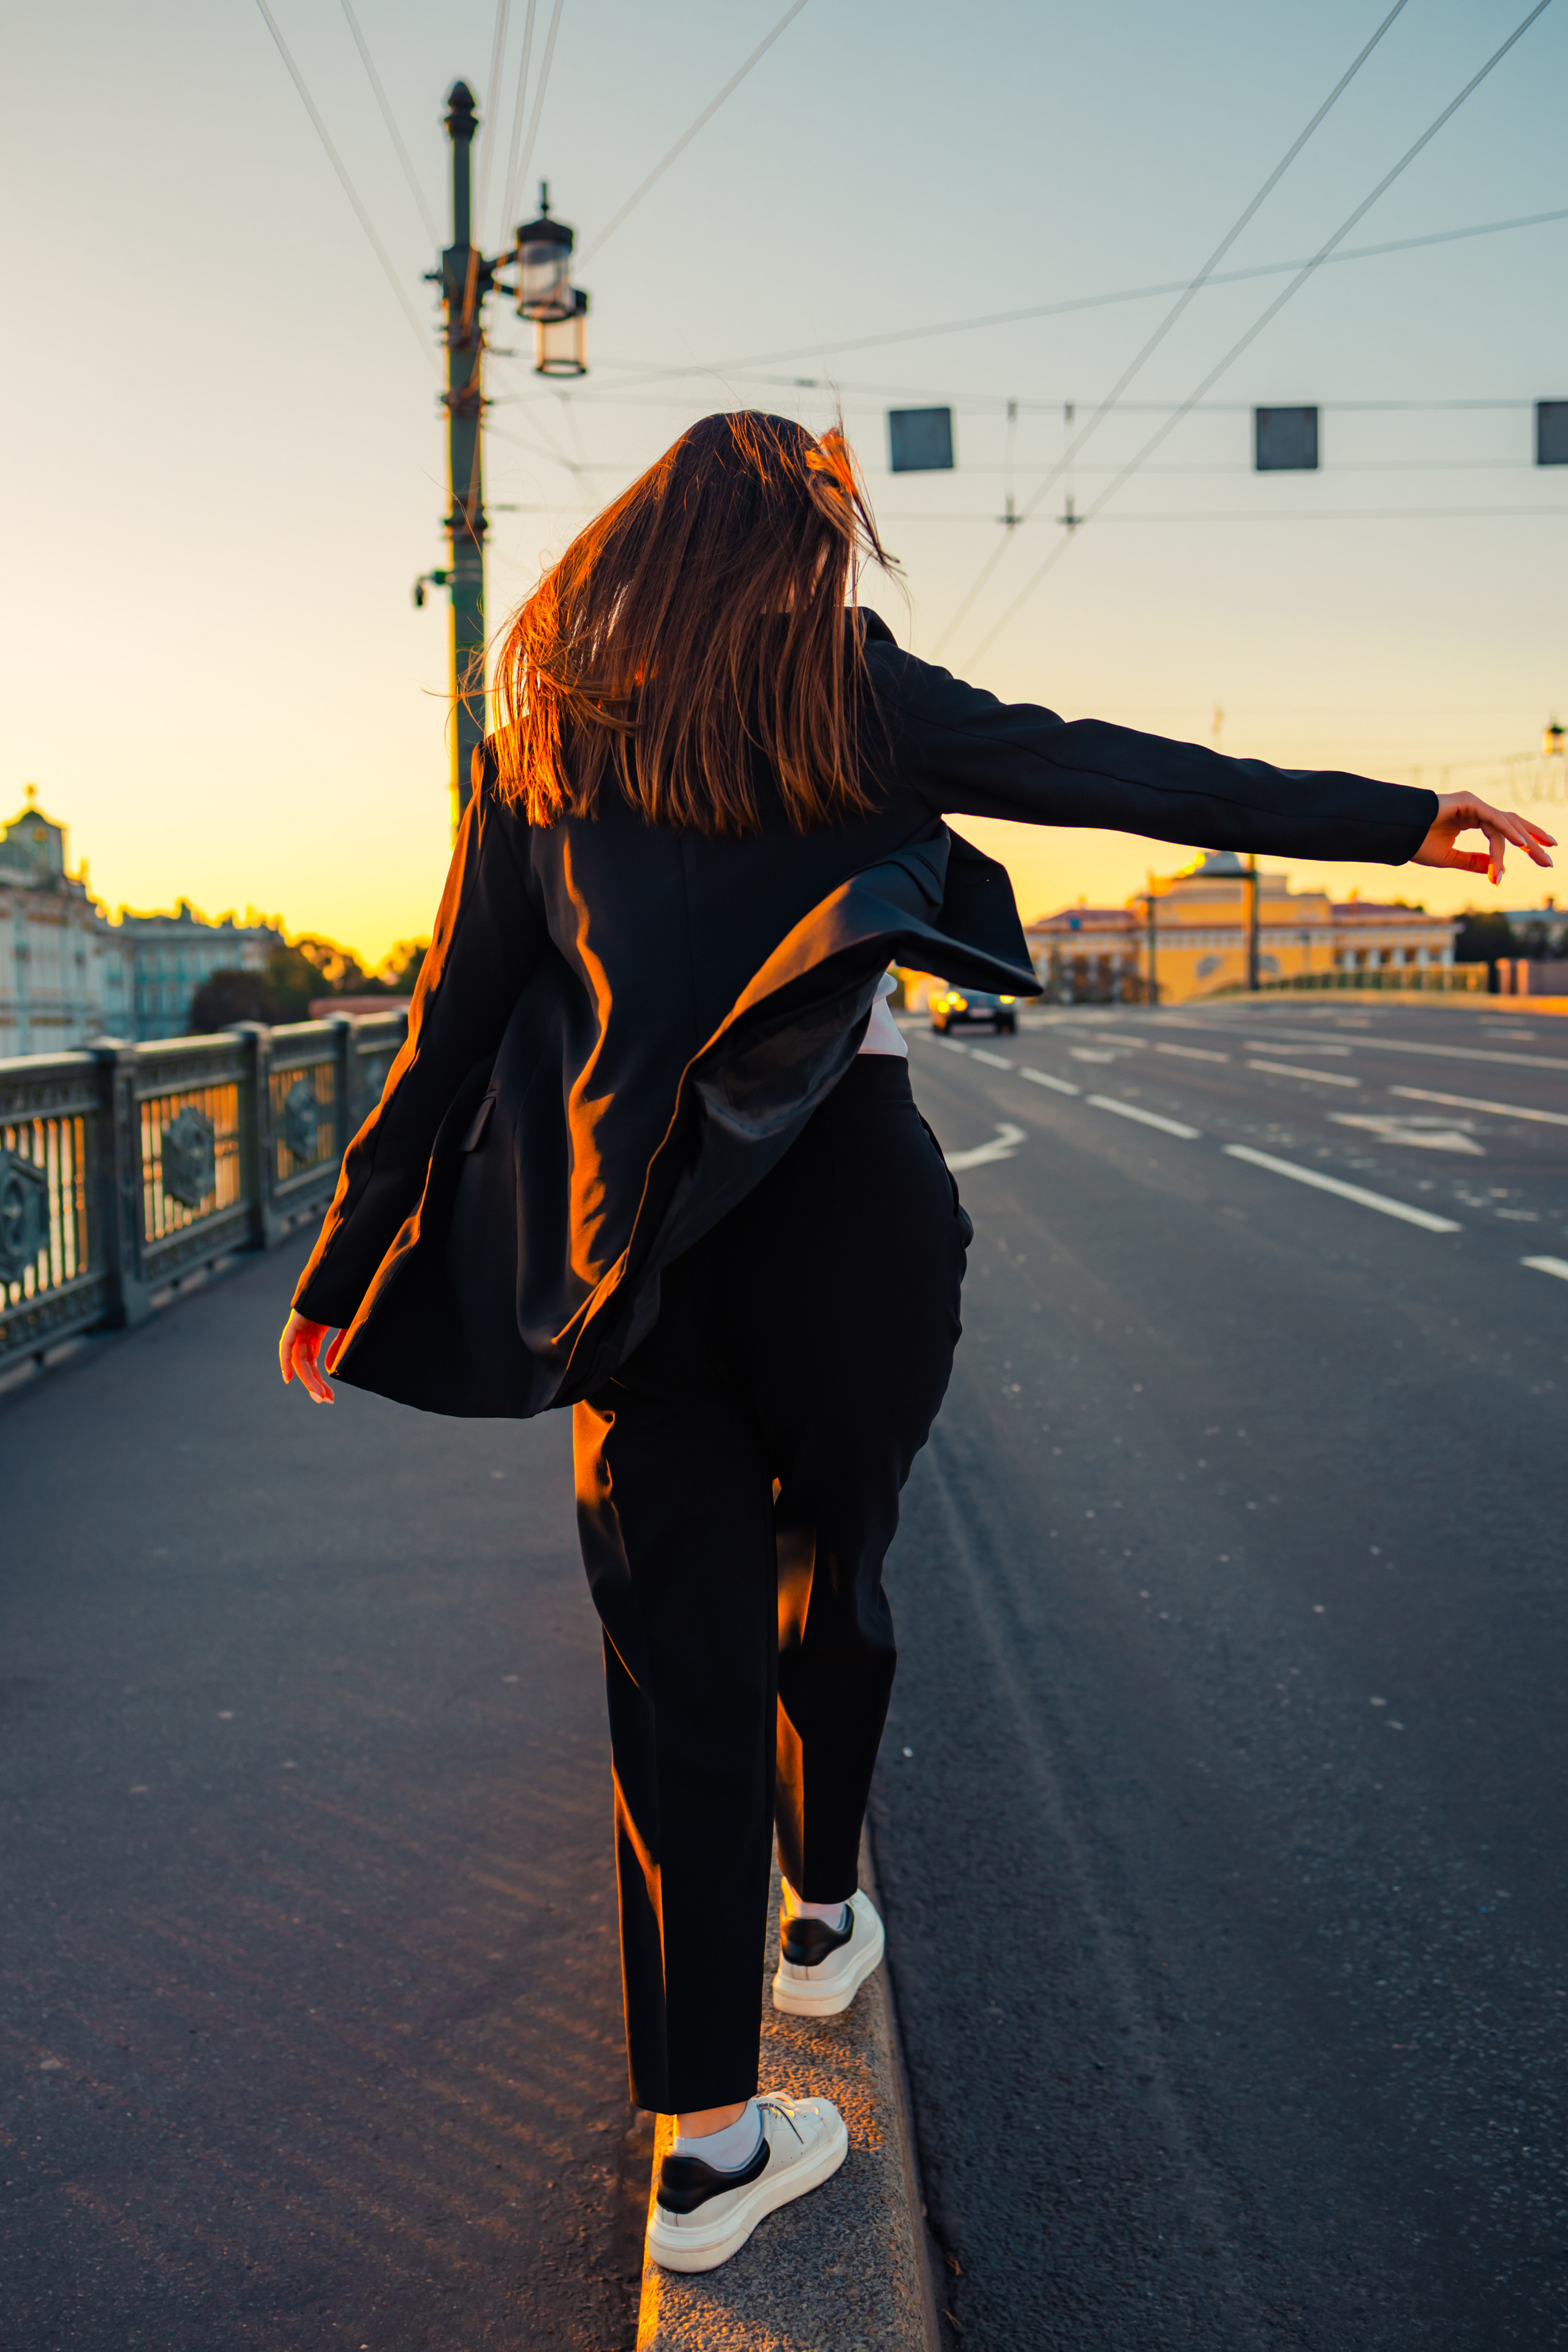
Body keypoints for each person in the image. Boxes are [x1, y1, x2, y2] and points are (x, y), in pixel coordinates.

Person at [277, 410, 1552, 2275]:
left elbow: (446, 1031)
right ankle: (822, 1908)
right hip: (848, 1222)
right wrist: (1398, 819)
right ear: (796, 550)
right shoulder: (847, 692)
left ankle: (709, 2149)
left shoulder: (545, 744)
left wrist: (343, 1262)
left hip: (634, 1260)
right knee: (838, 1562)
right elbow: (1110, 769)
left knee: (677, 1676)